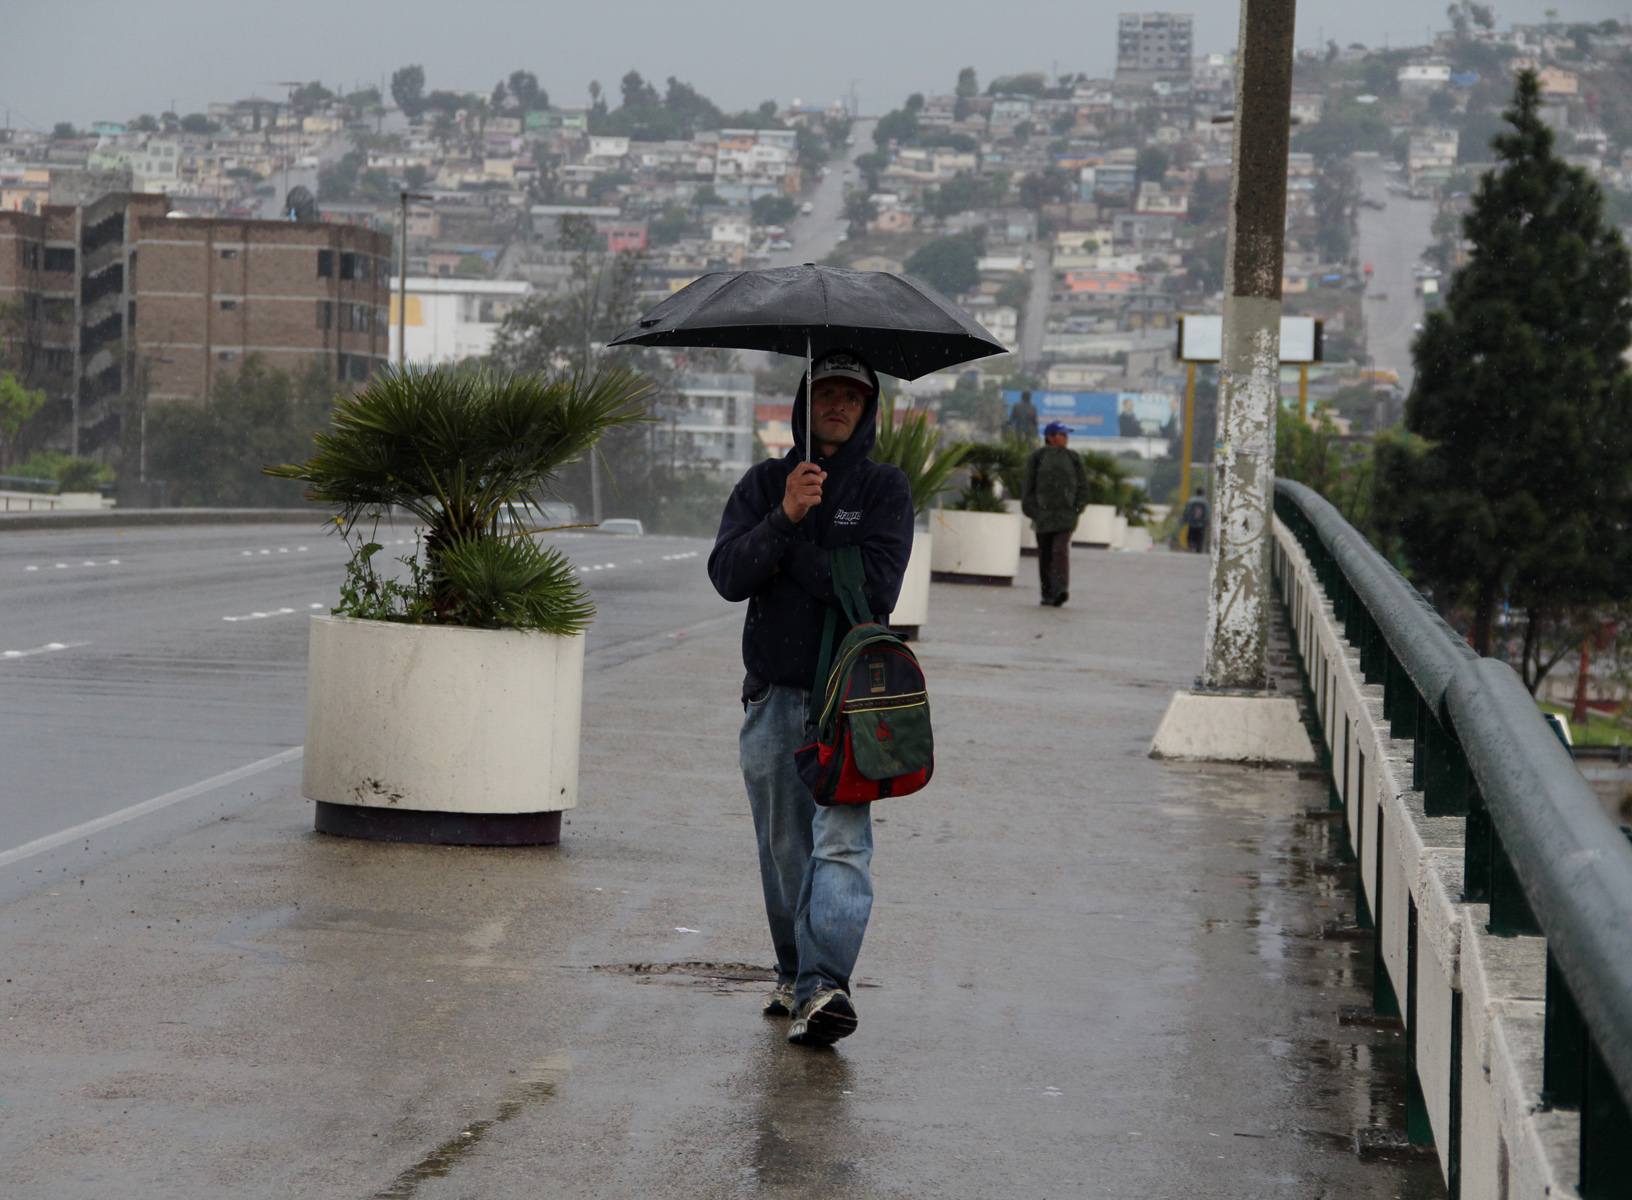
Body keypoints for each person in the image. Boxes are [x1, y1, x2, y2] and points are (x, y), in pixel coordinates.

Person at [707, 349, 914, 1047]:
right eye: (826, 390)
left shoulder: (885, 490)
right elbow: (729, 575)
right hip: (770, 699)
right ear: (805, 399)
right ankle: (796, 974)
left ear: (867, 409)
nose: (839, 404)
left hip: (851, 704)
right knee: (784, 849)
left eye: (852, 395)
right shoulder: (767, 483)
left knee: (844, 846)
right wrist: (785, 514)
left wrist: (790, 548)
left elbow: (872, 590)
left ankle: (826, 984)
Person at [1021, 419, 1090, 606]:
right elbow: (1028, 487)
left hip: (1065, 517)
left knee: (1059, 551)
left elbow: (1083, 487)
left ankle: (1060, 590)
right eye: (1062, 434)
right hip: (1043, 517)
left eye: (1067, 435)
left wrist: (1076, 508)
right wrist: (1033, 511)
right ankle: (1047, 593)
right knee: (1045, 554)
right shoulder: (1037, 457)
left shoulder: (1073, 458)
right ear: (1050, 437)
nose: (1066, 438)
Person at [1182, 487, 1209, 553]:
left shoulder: (1190, 501)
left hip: (1192, 523)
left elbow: (1187, 511)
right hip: (1201, 524)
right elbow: (1208, 512)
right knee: (1200, 538)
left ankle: (1192, 547)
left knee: (1191, 537)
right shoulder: (1205, 502)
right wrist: (1207, 522)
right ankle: (1198, 549)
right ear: (1203, 493)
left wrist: (1185, 520)